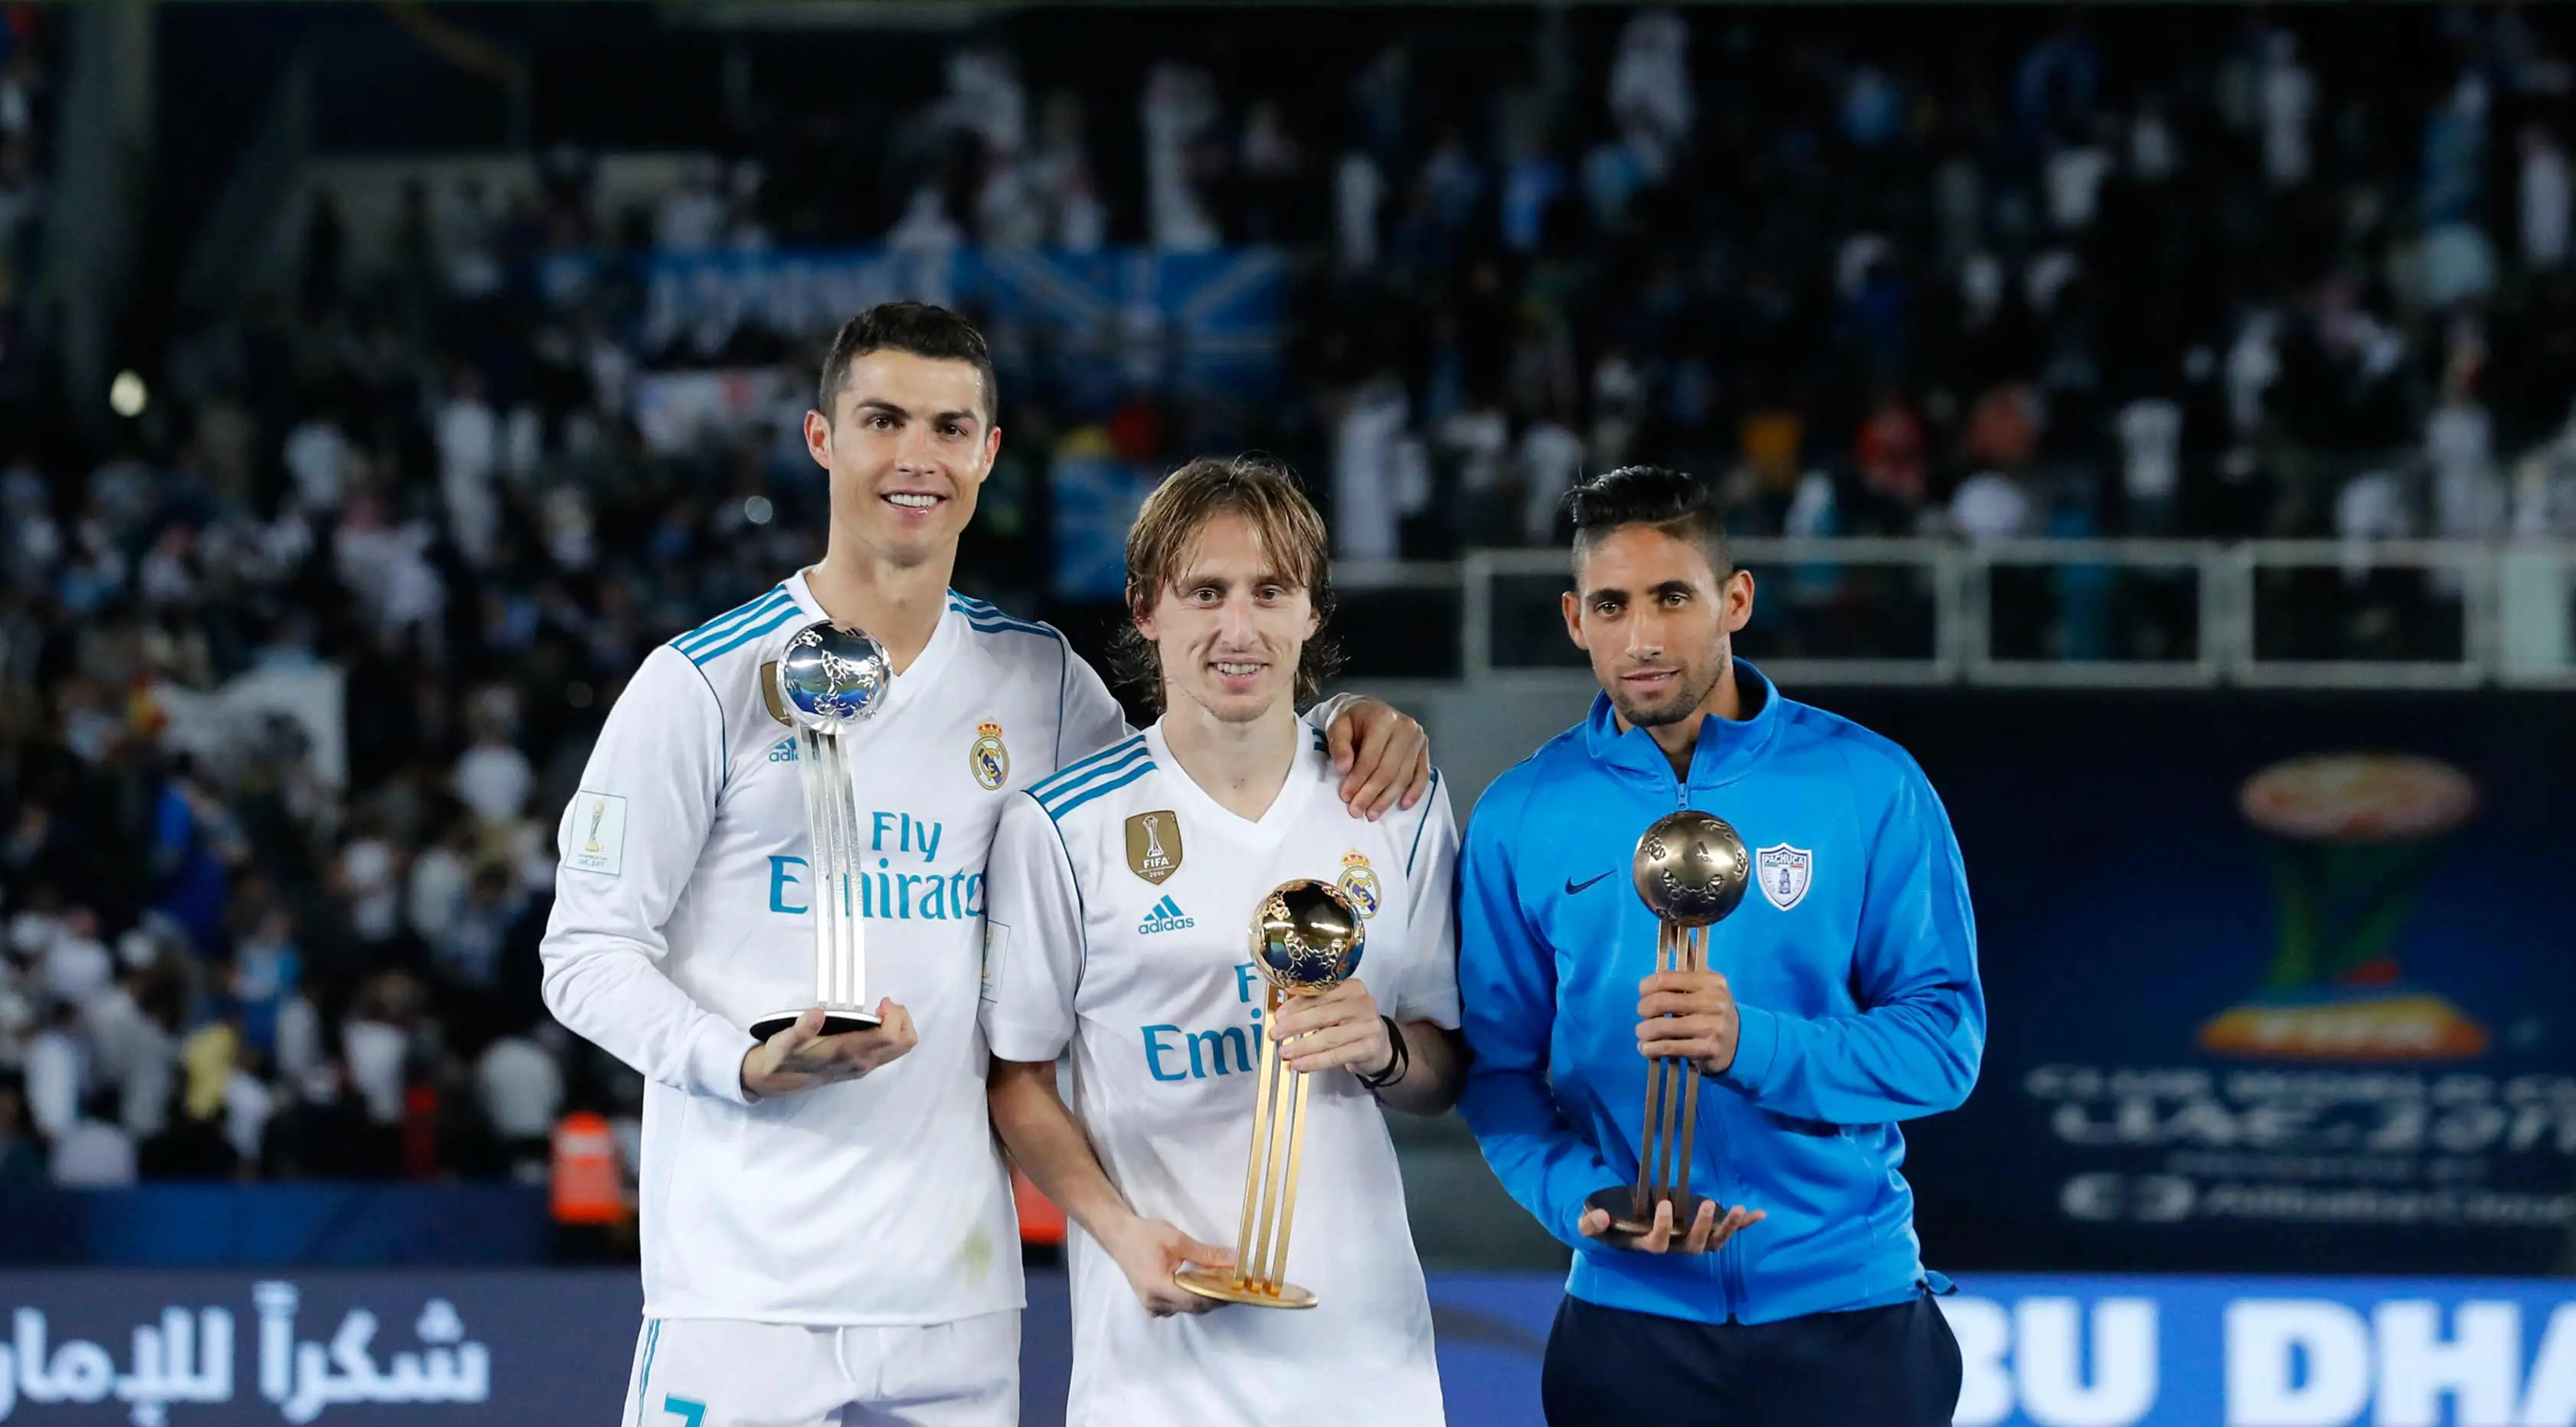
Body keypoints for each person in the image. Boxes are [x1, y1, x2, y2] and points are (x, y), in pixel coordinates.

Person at [541, 304, 1428, 1426]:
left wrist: (1347, 719)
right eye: (883, 420)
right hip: (742, 1285)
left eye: (951, 427)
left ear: (988, 454)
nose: (918, 457)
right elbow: (581, 953)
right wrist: (736, 1061)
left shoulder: (1040, 683)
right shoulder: (701, 684)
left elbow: (1198, 777)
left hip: (958, 1292)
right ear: (823, 439)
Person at [1455, 465, 1982, 1426]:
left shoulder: (1867, 784)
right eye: (1611, 606)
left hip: (1850, 1316)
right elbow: (1494, 1072)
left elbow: (1944, 1043)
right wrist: (1586, 1196)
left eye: (1672, 597)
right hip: (1628, 1325)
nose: (1642, 637)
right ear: (1575, 619)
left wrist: (1756, 1044)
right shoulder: (1520, 815)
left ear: (1733, 599)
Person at [980, 456, 1465, 1425]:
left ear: (1311, 614)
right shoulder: (1061, 826)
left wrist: (1382, 1050)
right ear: (1146, 608)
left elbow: (1443, 1071)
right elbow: (1017, 1081)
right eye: (1205, 591)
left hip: (1367, 1359)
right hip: (1158, 1366)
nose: (1237, 629)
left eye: (1269, 591)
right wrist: (1120, 1234)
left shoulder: (1395, 801)